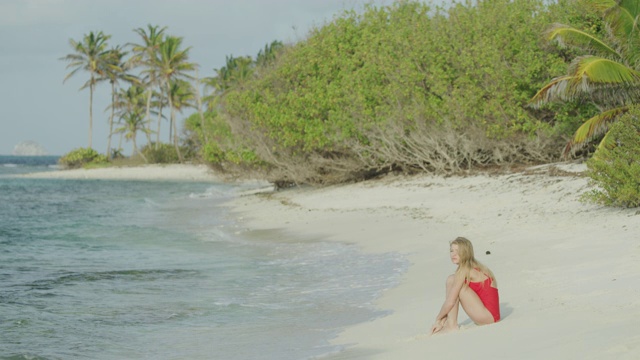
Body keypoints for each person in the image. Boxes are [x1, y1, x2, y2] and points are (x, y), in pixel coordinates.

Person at [430, 237, 500, 334]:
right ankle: (449, 323)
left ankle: (451, 325)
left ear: (466, 253)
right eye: (451, 251)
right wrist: (442, 319)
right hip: (491, 316)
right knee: (453, 280)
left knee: (452, 280)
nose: (453, 254)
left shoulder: (464, 270)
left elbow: (451, 301)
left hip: (487, 317)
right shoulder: (475, 266)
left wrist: (438, 319)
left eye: (458, 251)